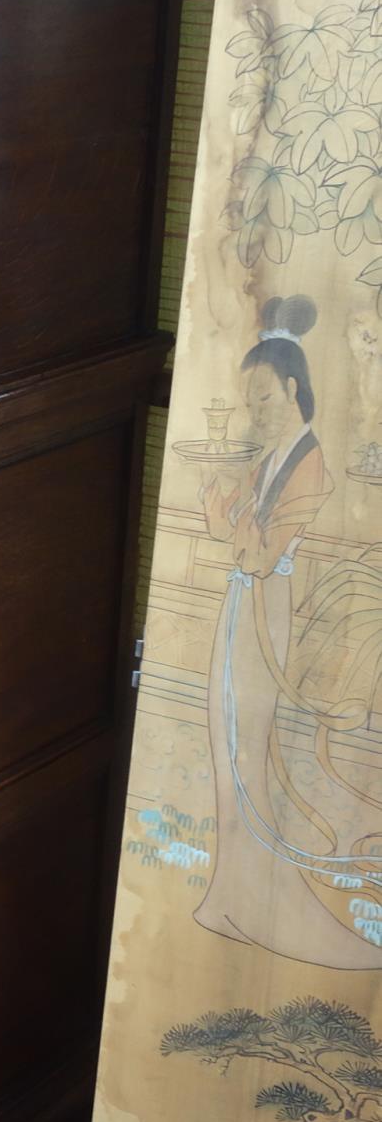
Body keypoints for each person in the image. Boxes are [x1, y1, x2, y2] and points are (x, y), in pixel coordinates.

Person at [197, 295, 382, 968]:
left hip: (269, 608)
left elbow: (262, 551)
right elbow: (237, 528)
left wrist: (231, 526)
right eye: (252, 401)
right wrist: (227, 517)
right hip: (244, 603)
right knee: (226, 741)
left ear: (294, 388)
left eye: (266, 398)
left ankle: (258, 898)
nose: (258, 411)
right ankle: (229, 892)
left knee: (248, 749)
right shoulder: (271, 456)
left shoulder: (307, 462)